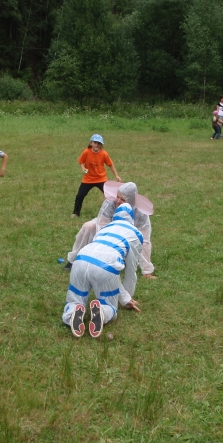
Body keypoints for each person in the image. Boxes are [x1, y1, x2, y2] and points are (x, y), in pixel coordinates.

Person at [62, 203, 142, 338]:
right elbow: (131, 270)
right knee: (110, 305)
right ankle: (102, 311)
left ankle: (73, 312)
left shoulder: (106, 227)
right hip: (106, 267)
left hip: (81, 259)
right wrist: (126, 298)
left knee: (75, 298)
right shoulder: (136, 234)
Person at [64, 182, 156, 278]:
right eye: (117, 197)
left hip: (129, 235)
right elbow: (101, 228)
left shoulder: (141, 212)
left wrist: (147, 271)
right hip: (109, 229)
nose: (118, 201)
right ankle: (73, 261)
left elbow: (145, 241)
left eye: (123, 199)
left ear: (131, 200)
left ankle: (124, 261)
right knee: (88, 226)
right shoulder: (110, 203)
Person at [71, 134, 121, 218]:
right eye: (95, 143)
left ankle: (116, 211)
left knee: (111, 196)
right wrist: (83, 168)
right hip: (88, 179)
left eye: (99, 143)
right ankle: (76, 213)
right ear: (91, 143)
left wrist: (116, 175)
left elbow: (110, 164)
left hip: (101, 179)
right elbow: (81, 161)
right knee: (80, 196)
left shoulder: (104, 154)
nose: (97, 145)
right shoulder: (86, 152)